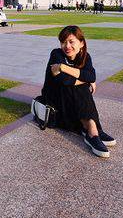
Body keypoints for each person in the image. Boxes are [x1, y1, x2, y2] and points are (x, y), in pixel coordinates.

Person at [40, 25, 116, 158]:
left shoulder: (85, 57)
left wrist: (63, 67)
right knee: (79, 86)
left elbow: (91, 76)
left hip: (70, 101)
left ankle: (92, 128)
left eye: (71, 41)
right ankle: (93, 130)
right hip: (55, 99)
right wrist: (84, 79)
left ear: (81, 43)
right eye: (63, 42)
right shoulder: (56, 54)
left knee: (78, 87)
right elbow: (64, 81)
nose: (67, 46)